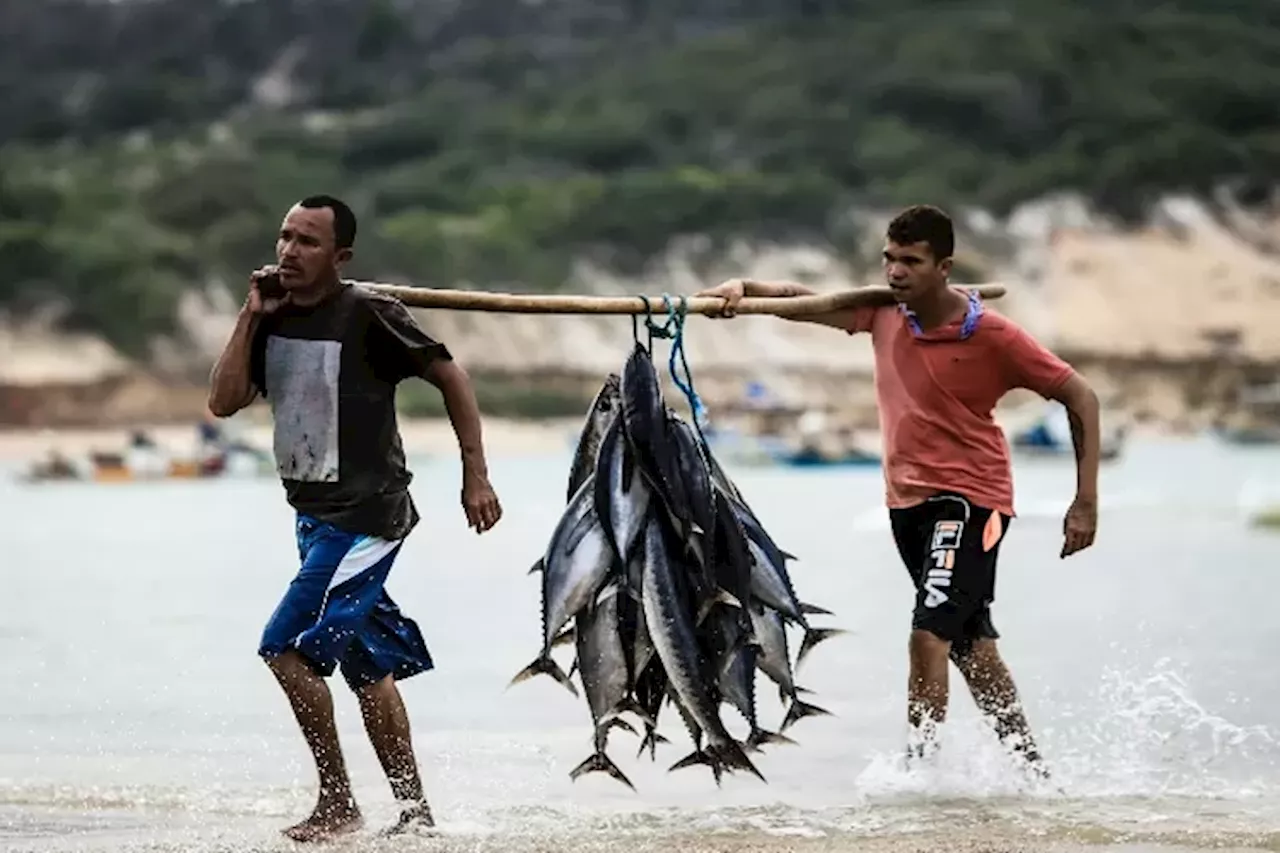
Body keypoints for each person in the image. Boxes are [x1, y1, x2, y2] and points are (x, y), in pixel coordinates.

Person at [695, 204, 1100, 778]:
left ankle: (918, 777)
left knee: (928, 635)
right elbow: (801, 298)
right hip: (906, 503)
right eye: (888, 259)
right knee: (970, 643)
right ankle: (1035, 774)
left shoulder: (992, 335)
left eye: (910, 261)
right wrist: (744, 287)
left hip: (971, 499)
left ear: (945, 266)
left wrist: (1084, 501)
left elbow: (1080, 395)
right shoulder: (884, 314)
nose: (895, 272)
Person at [207, 194, 503, 842]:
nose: (289, 251)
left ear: (339, 256)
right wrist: (250, 314)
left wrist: (474, 473)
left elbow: (450, 374)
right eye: (285, 237)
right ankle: (417, 815)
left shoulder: (368, 313)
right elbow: (224, 400)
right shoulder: (271, 317)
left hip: (366, 517)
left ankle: (338, 802)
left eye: (308, 242)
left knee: (284, 648)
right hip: (314, 519)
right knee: (369, 668)